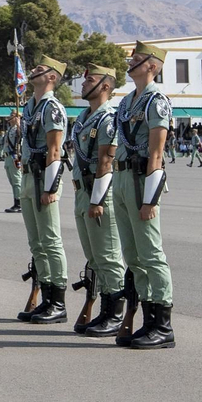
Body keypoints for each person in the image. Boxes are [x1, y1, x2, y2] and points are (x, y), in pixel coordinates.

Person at [112, 42, 176, 350]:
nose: (131, 63)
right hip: (122, 177)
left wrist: (150, 200)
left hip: (142, 180)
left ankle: (162, 324)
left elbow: (156, 153)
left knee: (151, 252)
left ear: (151, 66)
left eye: (137, 60)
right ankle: (147, 318)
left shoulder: (156, 101)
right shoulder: (126, 102)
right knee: (133, 255)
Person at [70, 63, 128, 338]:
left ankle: (115, 314)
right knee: (94, 256)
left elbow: (106, 160)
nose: (83, 84)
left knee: (108, 256)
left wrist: (97, 200)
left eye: (89, 79)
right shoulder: (84, 117)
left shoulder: (108, 118)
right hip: (83, 192)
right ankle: (105, 310)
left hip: (99, 195)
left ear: (105, 86)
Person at [14, 57, 70, 325]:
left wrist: (50, 187)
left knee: (50, 240)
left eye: (39, 69)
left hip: (41, 180)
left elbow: (55, 150)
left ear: (52, 77)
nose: (33, 70)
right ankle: (46, 295)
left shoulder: (52, 107)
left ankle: (57, 301)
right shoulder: (30, 106)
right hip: (27, 177)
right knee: (36, 242)